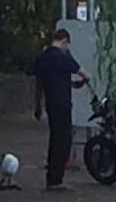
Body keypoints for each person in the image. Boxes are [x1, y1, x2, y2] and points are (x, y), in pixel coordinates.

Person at [30, 29, 89, 190]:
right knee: (64, 141)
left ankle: (52, 178)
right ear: (64, 41)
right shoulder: (63, 57)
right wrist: (81, 82)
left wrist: (37, 106)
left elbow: (39, 83)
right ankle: (57, 180)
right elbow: (85, 74)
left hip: (51, 103)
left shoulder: (42, 57)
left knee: (54, 139)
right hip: (63, 104)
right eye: (68, 46)